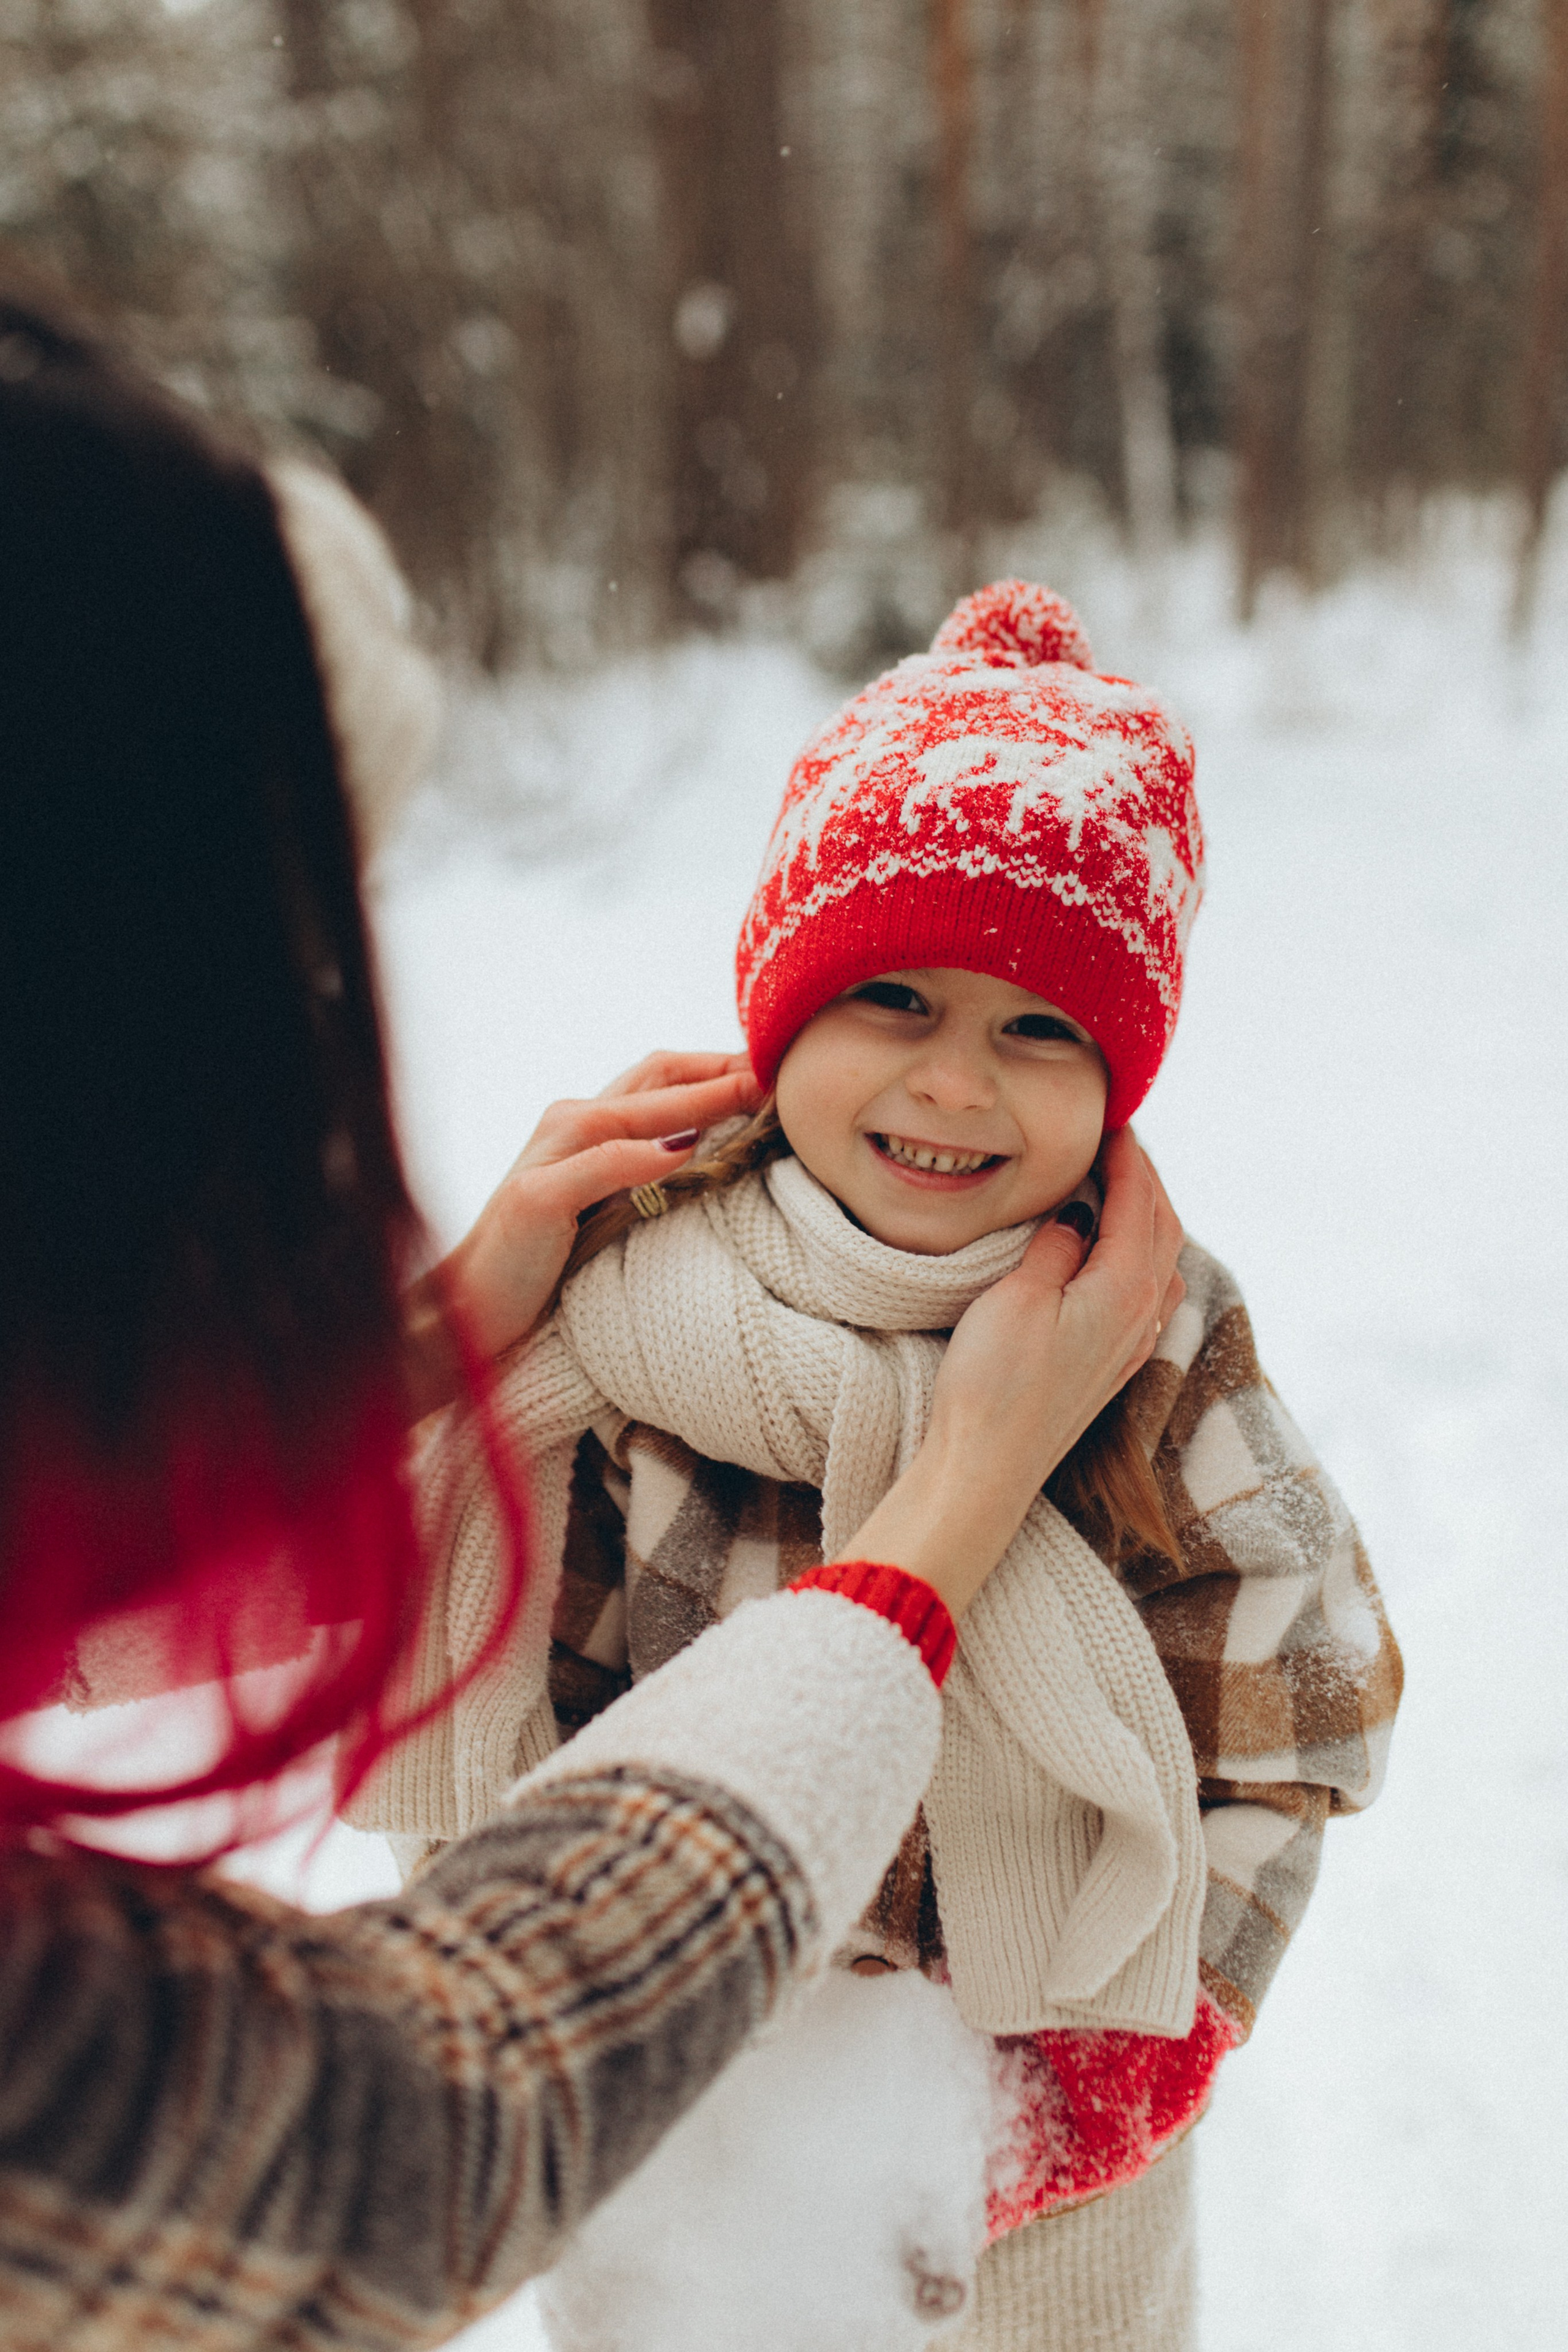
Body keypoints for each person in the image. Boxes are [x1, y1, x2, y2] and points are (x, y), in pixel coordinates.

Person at [0, 287, 1187, 2352]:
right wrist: (947, 1514)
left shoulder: (1160, 1366)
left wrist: (417, 1359)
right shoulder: (655, 1320)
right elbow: (399, 2125)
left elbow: (1285, 1691)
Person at [366, 581, 1405, 2352]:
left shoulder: (1144, 1338)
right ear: (782, 1011)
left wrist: (1145, 2043)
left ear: (1120, 1076)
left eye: (1041, 1028)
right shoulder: (638, 1283)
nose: (956, 1088)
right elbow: (418, 1600)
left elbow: (1299, 1694)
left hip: (1024, 2080)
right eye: (896, 1000)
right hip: (685, 2065)